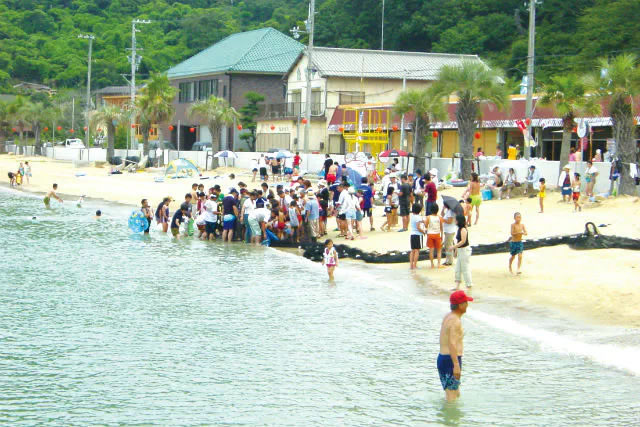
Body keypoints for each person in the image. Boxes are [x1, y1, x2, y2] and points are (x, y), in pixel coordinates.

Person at [438, 290, 473, 402]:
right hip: (450, 360)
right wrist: (456, 365)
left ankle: (453, 418)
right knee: (451, 397)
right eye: (466, 302)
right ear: (461, 305)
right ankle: (449, 418)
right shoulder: (455, 321)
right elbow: (451, 343)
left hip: (444, 358)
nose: (468, 305)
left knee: (455, 393)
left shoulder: (448, 316)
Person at [452, 214, 472, 290]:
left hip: (464, 250)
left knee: (465, 268)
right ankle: (457, 286)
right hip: (460, 250)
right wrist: (456, 251)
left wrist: (453, 247)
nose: (455, 221)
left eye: (456, 220)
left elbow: (463, 241)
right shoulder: (459, 229)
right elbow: (459, 241)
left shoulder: (463, 229)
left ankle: (469, 285)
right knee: (458, 268)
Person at [425, 203, 443, 269]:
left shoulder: (428, 217)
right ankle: (439, 264)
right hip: (437, 234)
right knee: (439, 250)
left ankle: (432, 264)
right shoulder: (439, 218)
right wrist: (442, 237)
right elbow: (441, 228)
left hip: (430, 234)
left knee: (431, 250)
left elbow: (426, 226)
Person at [409, 203, 426, 270]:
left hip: (412, 234)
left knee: (412, 250)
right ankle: (415, 265)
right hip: (418, 235)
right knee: (417, 251)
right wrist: (424, 232)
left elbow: (420, 222)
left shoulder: (413, 216)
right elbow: (418, 227)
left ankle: (411, 265)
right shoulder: (418, 217)